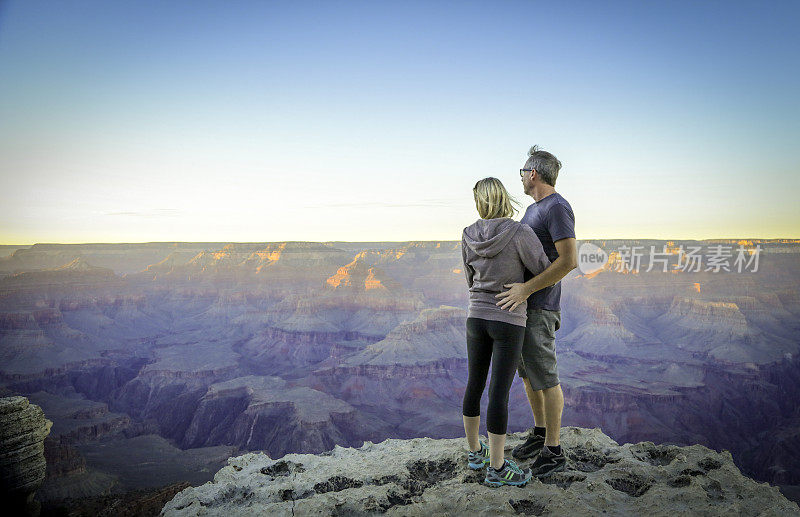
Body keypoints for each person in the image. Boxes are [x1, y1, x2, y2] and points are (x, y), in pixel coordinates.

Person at [461, 177, 551, 487]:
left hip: (475, 317)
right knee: (498, 393)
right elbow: (544, 270)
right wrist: (523, 287)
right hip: (508, 320)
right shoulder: (519, 232)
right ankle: (497, 468)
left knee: (474, 384)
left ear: (480, 202)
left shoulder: (468, 234)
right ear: (503, 197)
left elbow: (469, 277)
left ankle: (475, 453)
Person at [495, 145, 578, 478]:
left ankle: (554, 450)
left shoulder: (556, 207)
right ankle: (541, 433)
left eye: (523, 171)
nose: (522, 177)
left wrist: (527, 289)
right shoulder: (534, 209)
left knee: (545, 376)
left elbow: (569, 261)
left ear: (534, 173)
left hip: (539, 306)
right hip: (523, 308)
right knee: (529, 374)